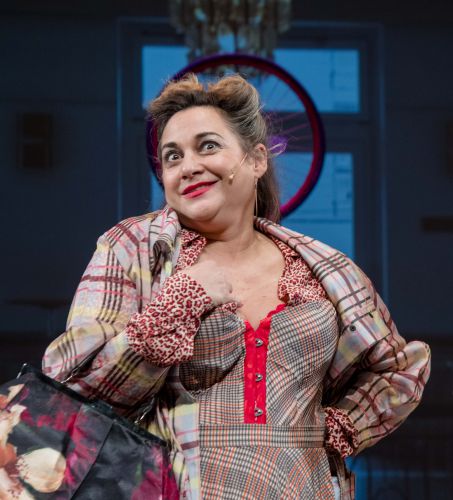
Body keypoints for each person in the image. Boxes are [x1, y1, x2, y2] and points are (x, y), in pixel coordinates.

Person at [43, 74, 431, 500]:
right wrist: (178, 303)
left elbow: (397, 368)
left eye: (208, 146)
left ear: (257, 160)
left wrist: (344, 425)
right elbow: (72, 392)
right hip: (179, 488)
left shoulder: (322, 267)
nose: (188, 166)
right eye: (172, 157)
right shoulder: (133, 249)